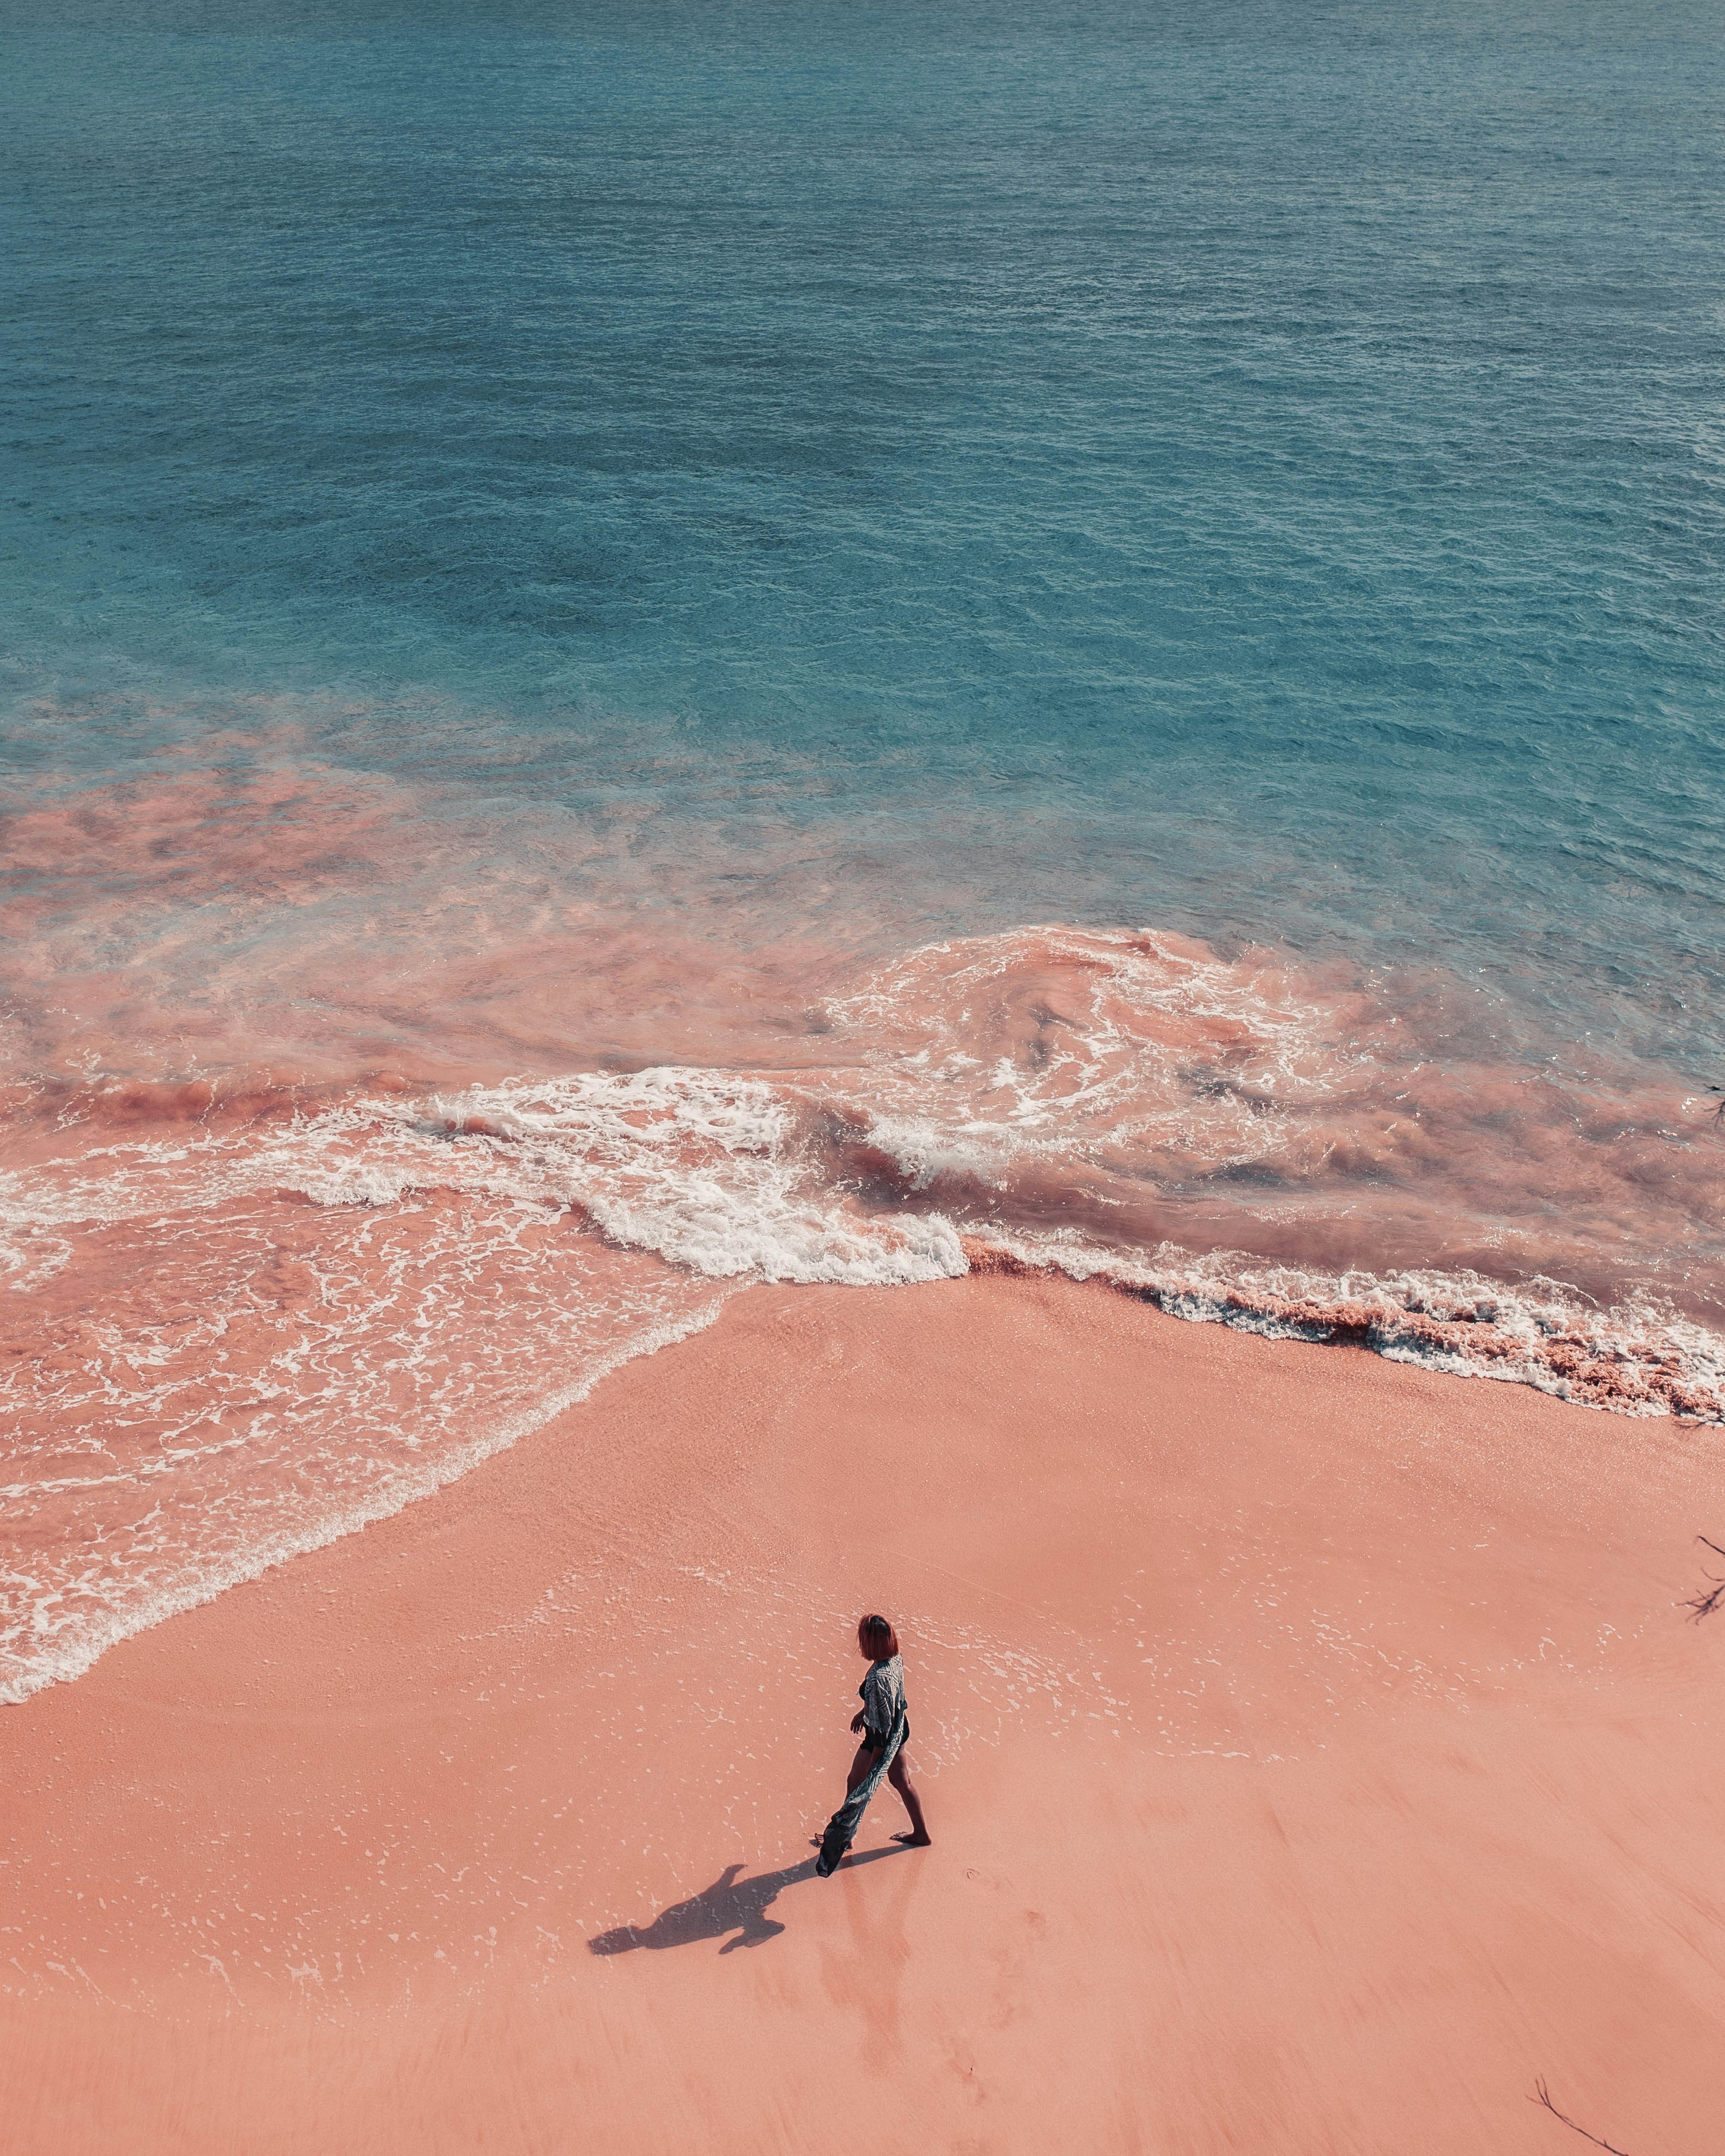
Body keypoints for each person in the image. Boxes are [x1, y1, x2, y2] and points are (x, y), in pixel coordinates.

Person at [814, 1613, 932, 1876]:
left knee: (858, 1784)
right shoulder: (894, 1660)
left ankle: (844, 1838)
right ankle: (921, 1834)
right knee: (902, 1783)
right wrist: (863, 1712)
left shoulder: (878, 1678)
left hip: (881, 1740)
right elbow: (888, 1702)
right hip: (898, 1728)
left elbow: (880, 1731)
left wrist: (873, 1767)